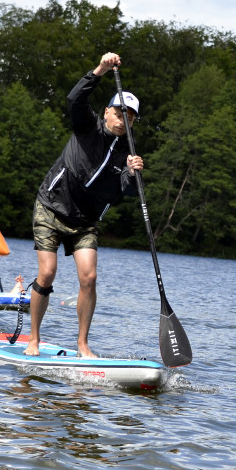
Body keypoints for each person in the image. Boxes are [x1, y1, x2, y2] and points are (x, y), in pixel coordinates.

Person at [25, 52, 144, 358]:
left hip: (85, 221)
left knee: (89, 278)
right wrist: (100, 70)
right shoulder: (87, 126)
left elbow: (124, 195)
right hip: (51, 206)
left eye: (129, 118)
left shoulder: (126, 155)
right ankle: (33, 339)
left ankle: (82, 345)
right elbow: (74, 99)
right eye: (119, 113)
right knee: (47, 273)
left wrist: (132, 175)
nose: (123, 120)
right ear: (107, 112)